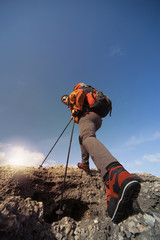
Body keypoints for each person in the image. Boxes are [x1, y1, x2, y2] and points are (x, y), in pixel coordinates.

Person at [61, 83, 141, 223]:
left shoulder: (76, 93)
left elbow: (79, 96)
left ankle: (116, 175)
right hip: (97, 119)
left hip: (88, 116)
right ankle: (86, 165)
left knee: (87, 137)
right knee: (83, 138)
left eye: (64, 99)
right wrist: (75, 113)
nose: (64, 101)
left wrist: (76, 109)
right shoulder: (89, 93)